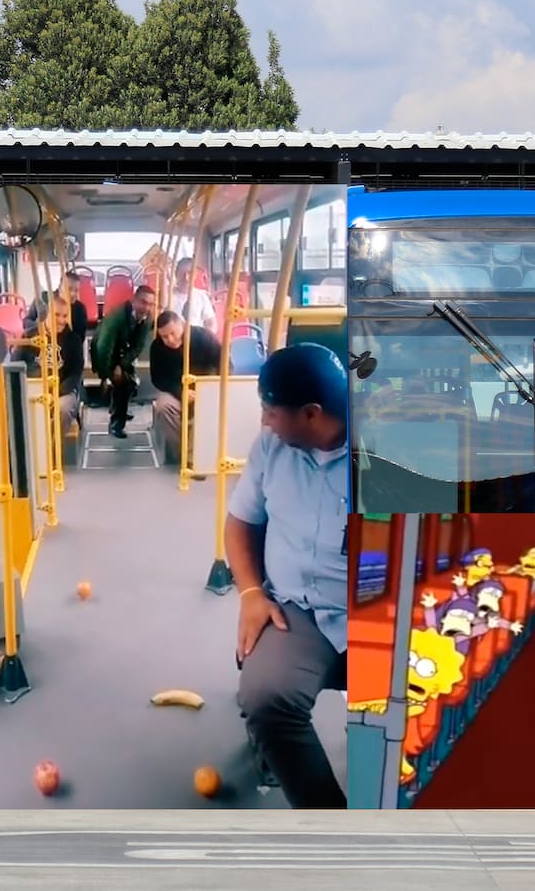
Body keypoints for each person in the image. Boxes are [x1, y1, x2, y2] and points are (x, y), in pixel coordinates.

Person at [223, 342, 349, 808]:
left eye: (271, 412)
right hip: (297, 609)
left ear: (311, 414)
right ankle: (331, 824)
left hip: (381, 613)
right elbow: (241, 522)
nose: (264, 421)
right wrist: (251, 594)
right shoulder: (271, 448)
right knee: (264, 698)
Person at [148, 309, 221, 463]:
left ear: (182, 325)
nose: (170, 339)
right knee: (163, 407)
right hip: (176, 391)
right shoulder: (157, 347)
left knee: (205, 410)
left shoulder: (204, 337)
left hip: (206, 388)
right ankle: (184, 453)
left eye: (173, 333)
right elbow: (158, 378)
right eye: (164, 337)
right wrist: (180, 391)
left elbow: (224, 364)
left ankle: (197, 456)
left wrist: (210, 389)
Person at [11, 291, 84, 431]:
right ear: (47, 314)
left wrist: (55, 393)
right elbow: (15, 364)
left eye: (65, 316)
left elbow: (75, 373)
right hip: (33, 389)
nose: (61, 320)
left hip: (63, 391)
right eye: (57, 315)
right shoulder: (29, 336)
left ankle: (54, 444)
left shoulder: (73, 340)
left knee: (62, 409)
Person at [91, 284, 156, 439]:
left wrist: (122, 365)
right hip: (103, 351)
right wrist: (106, 374)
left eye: (150, 304)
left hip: (123, 352)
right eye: (143, 302)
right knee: (123, 384)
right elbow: (103, 347)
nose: (146, 307)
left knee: (130, 384)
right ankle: (116, 424)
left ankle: (118, 408)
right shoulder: (116, 318)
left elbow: (138, 347)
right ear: (134, 300)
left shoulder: (147, 319)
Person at [25, 270, 89, 345]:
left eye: (76, 290)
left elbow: (80, 338)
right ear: (60, 288)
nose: (73, 294)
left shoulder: (80, 310)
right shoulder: (43, 300)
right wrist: (43, 327)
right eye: (69, 289)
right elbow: (26, 322)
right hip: (39, 342)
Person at [172, 257, 217, 334]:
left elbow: (211, 323)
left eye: (190, 273)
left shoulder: (201, 296)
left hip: (196, 337)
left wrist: (207, 338)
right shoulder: (168, 296)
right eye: (182, 274)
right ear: (176, 274)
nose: (186, 278)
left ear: (195, 275)